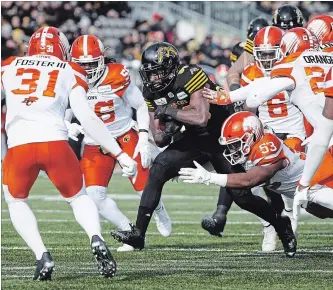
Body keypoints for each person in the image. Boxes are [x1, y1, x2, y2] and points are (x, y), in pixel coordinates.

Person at [110, 42, 296, 258]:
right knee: (159, 167)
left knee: (242, 196)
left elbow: (201, 118)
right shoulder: (151, 90)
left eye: (158, 73)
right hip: (193, 138)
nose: (153, 79)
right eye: (150, 74)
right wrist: (168, 128)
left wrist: (170, 111)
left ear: (171, 68)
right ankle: (139, 234)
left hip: (223, 137)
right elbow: (160, 139)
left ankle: (280, 225)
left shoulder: (190, 75)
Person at [0, 27, 138, 280]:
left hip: (19, 144)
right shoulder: (69, 69)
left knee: (16, 201)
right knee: (78, 197)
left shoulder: (8, 65)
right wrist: (119, 153)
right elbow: (87, 117)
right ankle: (95, 238)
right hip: (55, 142)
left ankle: (42, 254)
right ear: (62, 48)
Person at [68, 35, 172, 251]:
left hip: (125, 136)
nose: (86, 69)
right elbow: (62, 105)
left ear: (102, 59)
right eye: (82, 64)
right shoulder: (67, 76)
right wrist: (66, 123)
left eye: (91, 63)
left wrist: (143, 137)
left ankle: (159, 209)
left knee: (143, 188)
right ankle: (129, 231)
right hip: (93, 143)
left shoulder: (116, 74)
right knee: (94, 196)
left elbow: (141, 105)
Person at [178, 112, 333, 227]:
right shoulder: (248, 152)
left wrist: (209, 177)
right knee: (320, 212)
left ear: (251, 136)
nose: (233, 149)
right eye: (230, 145)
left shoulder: (266, 147)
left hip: (319, 181)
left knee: (321, 205)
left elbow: (250, 180)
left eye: (235, 144)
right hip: (303, 191)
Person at [226, 4, 304, 94]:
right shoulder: (264, 39)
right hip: (264, 95)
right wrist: (237, 95)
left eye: (292, 29)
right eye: (282, 29)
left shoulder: (306, 40)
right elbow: (234, 72)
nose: (287, 33)